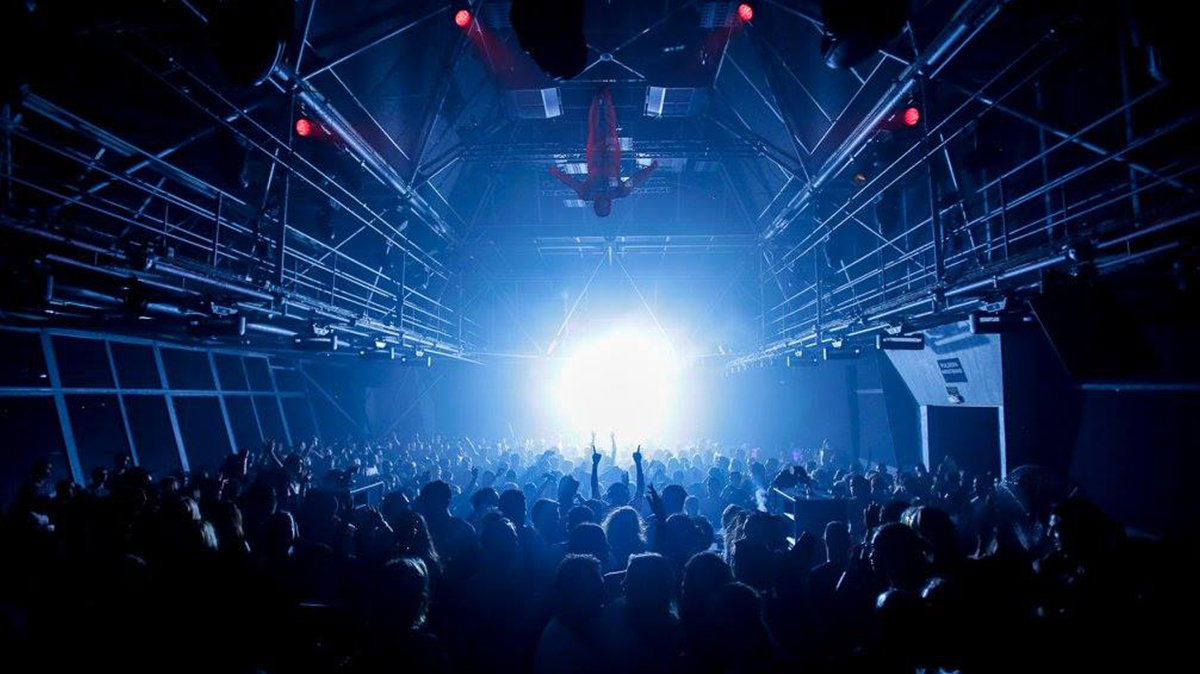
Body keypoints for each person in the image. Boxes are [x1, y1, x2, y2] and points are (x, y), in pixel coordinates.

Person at [549, 88, 659, 217]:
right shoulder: (620, 192)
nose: (605, 205)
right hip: (611, 154)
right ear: (609, 206)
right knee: (611, 129)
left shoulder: (587, 194)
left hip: (594, 155)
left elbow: (572, 182)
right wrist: (651, 169)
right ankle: (607, 98)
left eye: (602, 208)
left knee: (594, 128)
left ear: (596, 207)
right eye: (606, 207)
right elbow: (635, 180)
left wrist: (556, 173)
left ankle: (596, 99)